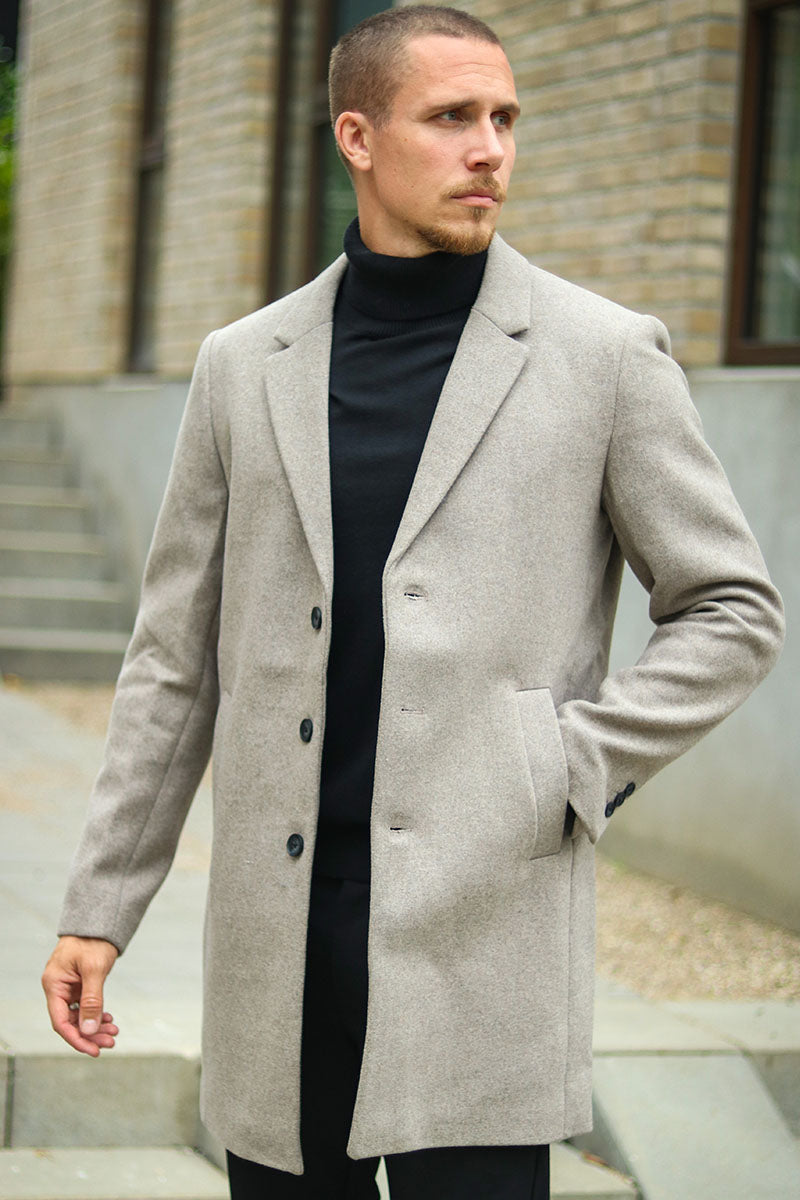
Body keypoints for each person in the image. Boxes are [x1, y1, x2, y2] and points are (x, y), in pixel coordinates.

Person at [42, 6, 784, 1199]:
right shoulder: (244, 365)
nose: (489, 148)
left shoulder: (603, 357)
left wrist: (569, 764)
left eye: (504, 118)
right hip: (280, 942)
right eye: (449, 118)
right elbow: (174, 660)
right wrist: (100, 907)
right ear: (357, 137)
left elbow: (731, 608)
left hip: (484, 924)